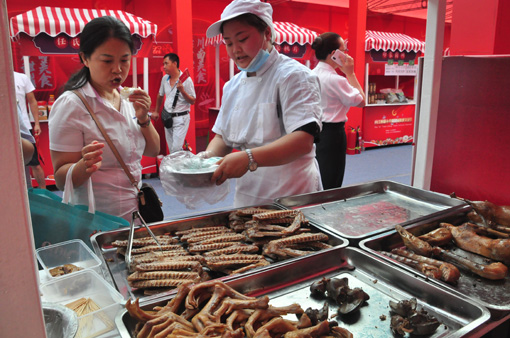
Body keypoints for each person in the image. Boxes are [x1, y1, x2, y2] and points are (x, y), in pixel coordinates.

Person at [202, 0, 323, 207]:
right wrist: (204, 161)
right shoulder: (233, 85)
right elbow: (222, 137)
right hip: (248, 198)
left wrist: (248, 158)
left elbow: (302, 140)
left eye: (242, 39)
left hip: (292, 196)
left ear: (267, 33)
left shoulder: (294, 76)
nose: (235, 50)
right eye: (229, 43)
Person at [48, 16, 160, 221]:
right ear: (85, 58)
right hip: (97, 222)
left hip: (135, 217)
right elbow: (60, 179)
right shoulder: (71, 105)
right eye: (107, 60)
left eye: (124, 60)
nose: (117, 69)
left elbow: (153, 150)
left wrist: (144, 119)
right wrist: (84, 166)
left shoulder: (127, 99)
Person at [311, 32, 365, 189]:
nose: (347, 54)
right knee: (332, 180)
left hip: (313, 133)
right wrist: (351, 73)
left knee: (317, 177)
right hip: (332, 135)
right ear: (334, 54)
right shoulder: (336, 79)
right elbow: (361, 101)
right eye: (344, 49)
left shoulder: (310, 74)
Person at [153, 53, 196, 154]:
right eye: (163, 64)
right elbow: (160, 95)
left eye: (166, 64)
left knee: (176, 149)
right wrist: (156, 111)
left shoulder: (186, 80)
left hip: (181, 118)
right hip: (167, 117)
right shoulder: (165, 79)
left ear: (175, 63)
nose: (164, 67)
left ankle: (180, 167)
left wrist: (182, 91)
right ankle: (178, 167)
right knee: (172, 149)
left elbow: (193, 101)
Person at [14, 71, 46, 189]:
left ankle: (44, 192)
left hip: (24, 128)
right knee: (13, 165)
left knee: (34, 164)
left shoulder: (21, 77)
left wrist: (37, 123)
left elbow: (32, 101)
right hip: (7, 130)